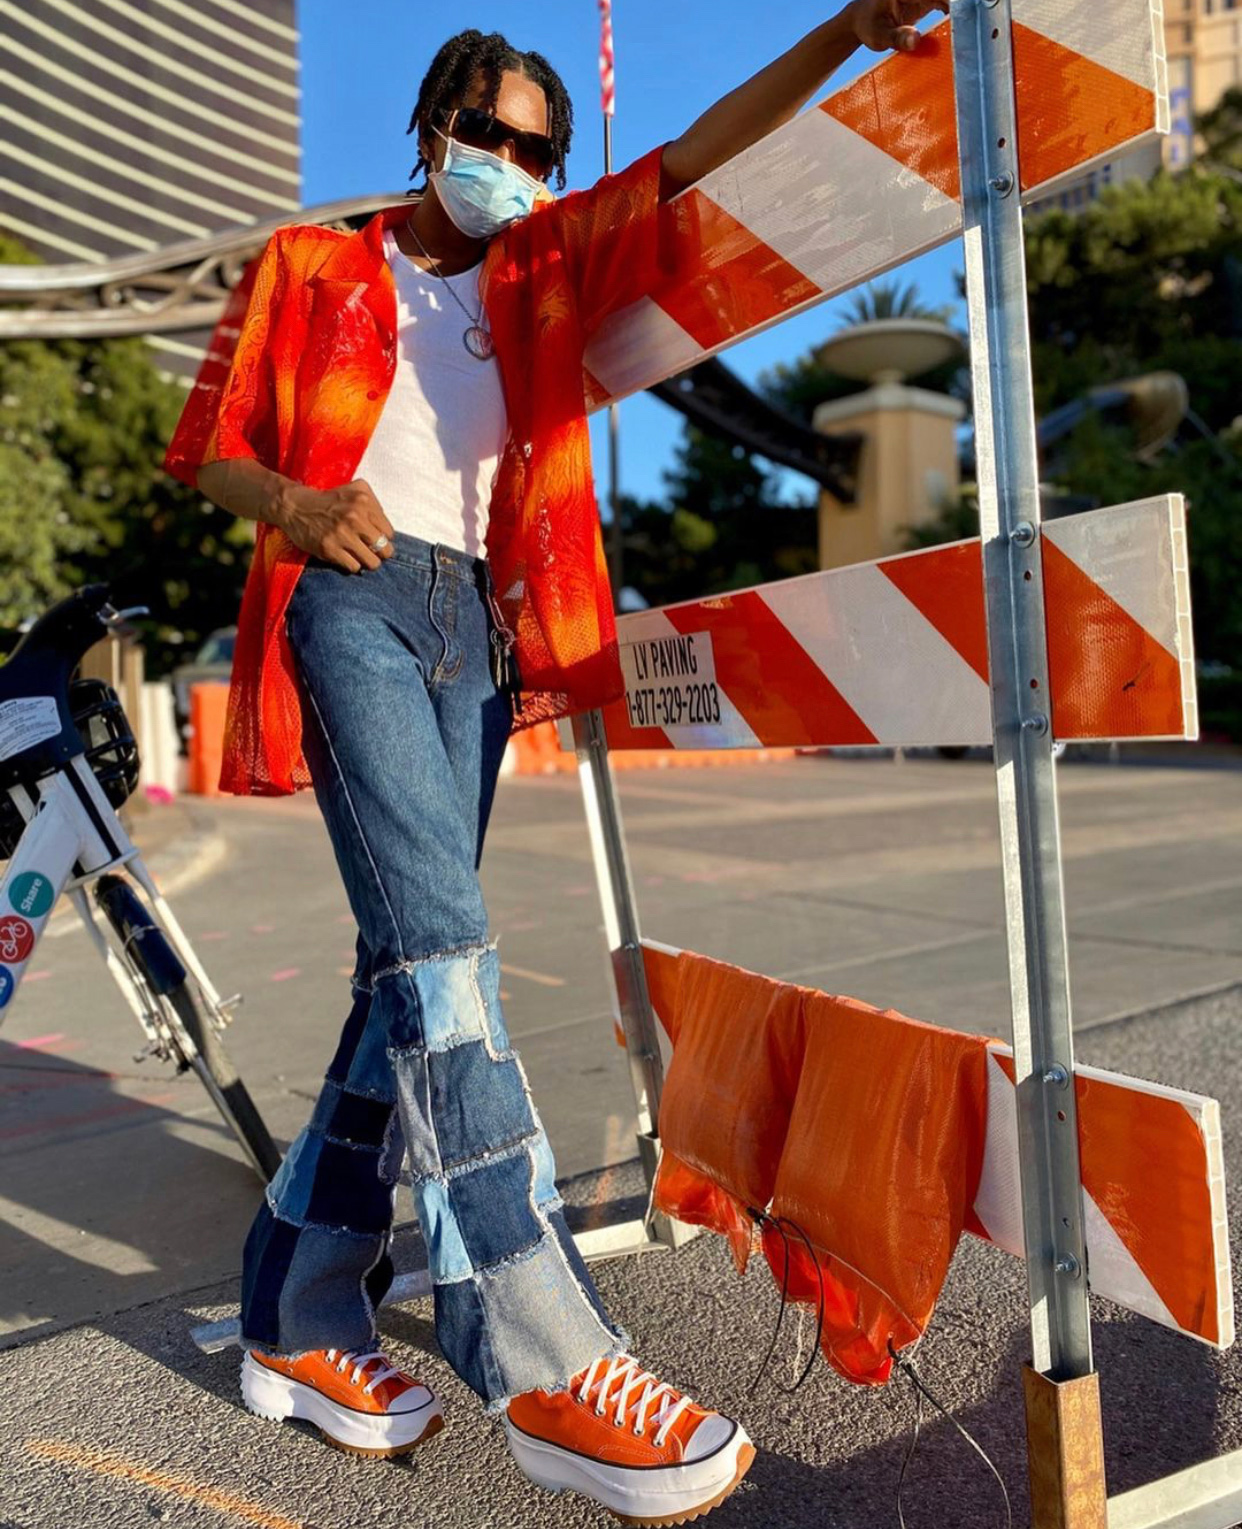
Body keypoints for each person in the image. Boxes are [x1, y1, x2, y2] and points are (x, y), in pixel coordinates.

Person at [165, 3, 943, 1520]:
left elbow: (693, 154)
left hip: (478, 625)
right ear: (432, 131)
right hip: (352, 601)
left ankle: (295, 1308)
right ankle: (531, 1342)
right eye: (491, 138)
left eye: (538, 147)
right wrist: (304, 509)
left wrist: (843, 32)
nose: (513, 165)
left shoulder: (540, 265)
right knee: (444, 951)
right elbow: (209, 444)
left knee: (407, 962)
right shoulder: (313, 263)